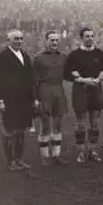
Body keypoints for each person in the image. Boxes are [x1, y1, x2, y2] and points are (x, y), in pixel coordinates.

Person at [0, 29, 37, 171]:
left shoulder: (25, 55)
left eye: (20, 39)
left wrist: (33, 98)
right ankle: (10, 161)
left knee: (21, 130)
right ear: (8, 40)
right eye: (15, 39)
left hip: (24, 100)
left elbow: (30, 79)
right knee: (9, 130)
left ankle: (18, 159)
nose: (18, 41)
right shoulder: (1, 57)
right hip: (9, 100)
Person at [63, 27, 103, 164]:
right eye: (87, 36)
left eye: (91, 36)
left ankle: (93, 150)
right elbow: (67, 73)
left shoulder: (100, 54)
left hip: (95, 89)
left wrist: (98, 79)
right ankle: (82, 151)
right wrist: (82, 79)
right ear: (81, 38)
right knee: (81, 123)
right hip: (80, 90)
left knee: (95, 123)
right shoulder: (74, 55)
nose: (90, 38)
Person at [32, 31, 68, 166]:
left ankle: (56, 155)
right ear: (46, 41)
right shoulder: (38, 58)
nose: (54, 43)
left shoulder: (64, 56)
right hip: (44, 90)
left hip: (59, 89)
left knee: (58, 123)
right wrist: (35, 98)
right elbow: (33, 79)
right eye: (51, 40)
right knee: (46, 124)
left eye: (56, 40)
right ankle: (45, 156)